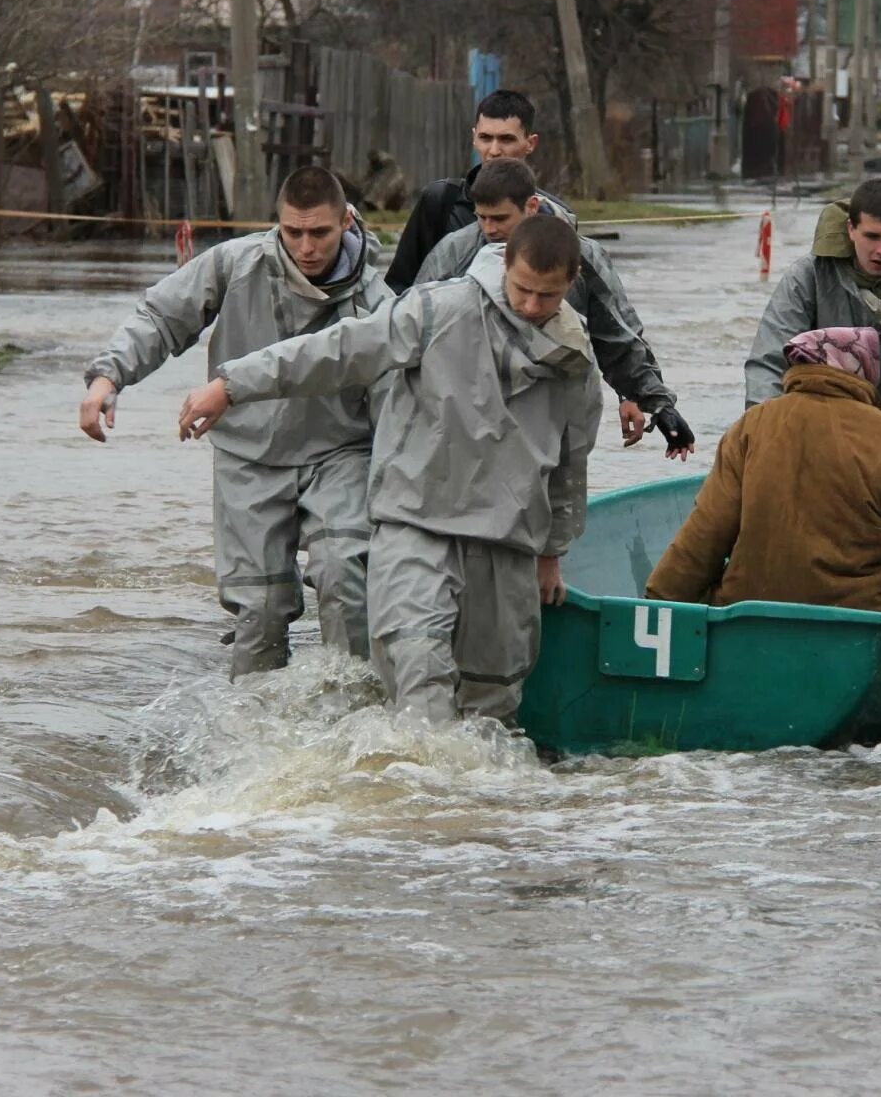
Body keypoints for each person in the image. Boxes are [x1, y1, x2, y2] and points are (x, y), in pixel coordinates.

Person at [174, 215, 602, 727]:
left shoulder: (575, 359)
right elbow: (335, 351)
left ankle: (482, 806)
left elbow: (571, 462)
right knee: (418, 676)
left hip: (506, 539)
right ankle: (403, 797)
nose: (532, 307)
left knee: (491, 709)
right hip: (415, 523)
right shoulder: (438, 310)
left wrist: (552, 551)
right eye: (523, 290)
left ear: (570, 284)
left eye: (547, 297)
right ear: (504, 264)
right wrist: (232, 385)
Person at [78, 166, 388, 678]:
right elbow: (160, 316)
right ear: (277, 225)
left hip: (340, 453)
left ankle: (355, 718)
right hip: (249, 455)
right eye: (293, 233)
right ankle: (255, 736)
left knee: (344, 577)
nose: (306, 247)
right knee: (260, 612)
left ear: (346, 223)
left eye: (320, 233)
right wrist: (106, 379)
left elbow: (403, 399)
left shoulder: (376, 301)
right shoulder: (237, 263)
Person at [645, 327, 881, 617]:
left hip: (750, 619)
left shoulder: (751, 427)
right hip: (863, 626)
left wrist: (656, 606)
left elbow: (701, 541)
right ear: (864, 374)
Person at [413, 157, 695, 459]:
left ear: (531, 207)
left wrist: (660, 405)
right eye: (482, 217)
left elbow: (617, 337)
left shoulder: (580, 256)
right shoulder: (453, 253)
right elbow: (416, 329)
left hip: (551, 414)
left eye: (500, 218)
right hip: (467, 414)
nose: (489, 228)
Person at [746, 177, 881, 446]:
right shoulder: (808, 277)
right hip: (817, 438)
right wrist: (768, 440)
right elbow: (769, 365)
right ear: (851, 229)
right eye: (871, 236)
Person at [384, 89, 571, 293]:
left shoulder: (556, 216)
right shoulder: (441, 201)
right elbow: (399, 285)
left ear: (530, 143)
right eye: (485, 138)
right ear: (474, 138)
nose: (494, 150)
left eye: (506, 139)